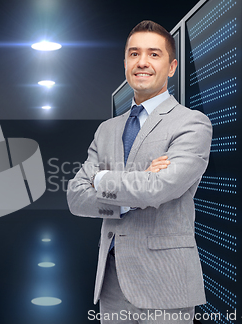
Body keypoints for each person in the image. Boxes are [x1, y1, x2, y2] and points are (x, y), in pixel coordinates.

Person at [67, 20, 212, 323]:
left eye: (154, 54)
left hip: (166, 283)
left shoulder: (192, 123)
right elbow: (76, 197)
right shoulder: (107, 130)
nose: (142, 62)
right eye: (134, 54)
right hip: (111, 282)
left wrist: (102, 178)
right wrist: (136, 187)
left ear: (172, 67)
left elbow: (159, 188)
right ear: (125, 63)